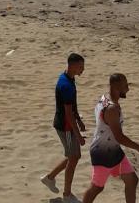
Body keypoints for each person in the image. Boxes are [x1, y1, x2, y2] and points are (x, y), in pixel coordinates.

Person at [80, 73, 139, 203]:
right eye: (125, 85)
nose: (128, 88)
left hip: (114, 151)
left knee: (132, 180)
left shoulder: (104, 98)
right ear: (117, 86)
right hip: (102, 153)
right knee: (97, 187)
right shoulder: (111, 108)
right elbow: (119, 137)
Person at [42, 53, 86, 199]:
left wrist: (79, 119)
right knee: (73, 157)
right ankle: (67, 194)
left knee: (73, 156)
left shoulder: (69, 78)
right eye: (80, 67)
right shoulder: (65, 85)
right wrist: (78, 135)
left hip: (68, 124)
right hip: (65, 127)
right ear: (72, 65)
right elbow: (68, 113)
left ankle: (49, 178)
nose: (83, 69)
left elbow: (72, 104)